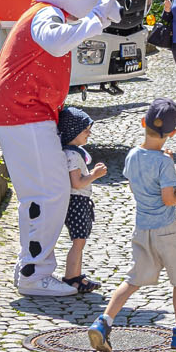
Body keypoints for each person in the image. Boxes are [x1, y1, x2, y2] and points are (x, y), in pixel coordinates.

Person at [0, 0, 124, 298]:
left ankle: (32, 268)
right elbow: (56, 42)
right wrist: (95, 19)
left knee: (46, 191)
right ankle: (34, 274)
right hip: (23, 112)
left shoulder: (48, 12)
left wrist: (96, 21)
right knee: (48, 191)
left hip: (26, 111)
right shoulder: (46, 14)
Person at [89, 99, 176, 352]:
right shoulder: (165, 163)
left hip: (142, 228)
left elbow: (134, 185)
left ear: (143, 123)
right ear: (173, 133)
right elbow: (168, 198)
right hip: (167, 229)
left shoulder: (132, 155)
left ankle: (103, 322)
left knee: (132, 280)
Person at [59, 106, 106, 295]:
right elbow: (76, 183)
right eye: (85, 131)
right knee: (78, 242)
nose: (89, 134)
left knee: (81, 241)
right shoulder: (71, 155)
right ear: (73, 132)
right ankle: (72, 278)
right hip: (77, 202)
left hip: (80, 201)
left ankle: (77, 275)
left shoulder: (74, 152)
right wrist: (94, 175)